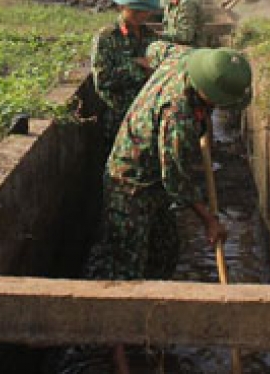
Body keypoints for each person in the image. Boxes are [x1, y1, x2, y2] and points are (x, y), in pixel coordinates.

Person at [86, 47, 252, 374]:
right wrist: (209, 221)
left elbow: (153, 48)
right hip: (131, 183)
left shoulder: (184, 57)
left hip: (155, 183)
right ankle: (119, 353)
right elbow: (175, 180)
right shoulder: (177, 116)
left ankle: (149, 326)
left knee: (165, 250)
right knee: (126, 268)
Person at [90, 0, 160, 152]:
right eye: (135, 11)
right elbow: (102, 80)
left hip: (147, 116)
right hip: (119, 119)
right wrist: (138, 67)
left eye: (145, 11)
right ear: (122, 6)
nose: (141, 16)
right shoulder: (107, 38)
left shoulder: (151, 37)